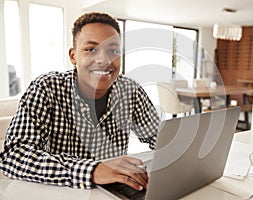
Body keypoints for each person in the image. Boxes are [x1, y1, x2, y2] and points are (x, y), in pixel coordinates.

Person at [0, 12, 160, 191]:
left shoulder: (131, 90)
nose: (104, 60)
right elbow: (13, 156)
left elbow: (159, 137)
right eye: (91, 49)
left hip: (113, 192)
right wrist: (93, 170)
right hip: (61, 191)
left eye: (113, 51)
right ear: (73, 56)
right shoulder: (47, 88)